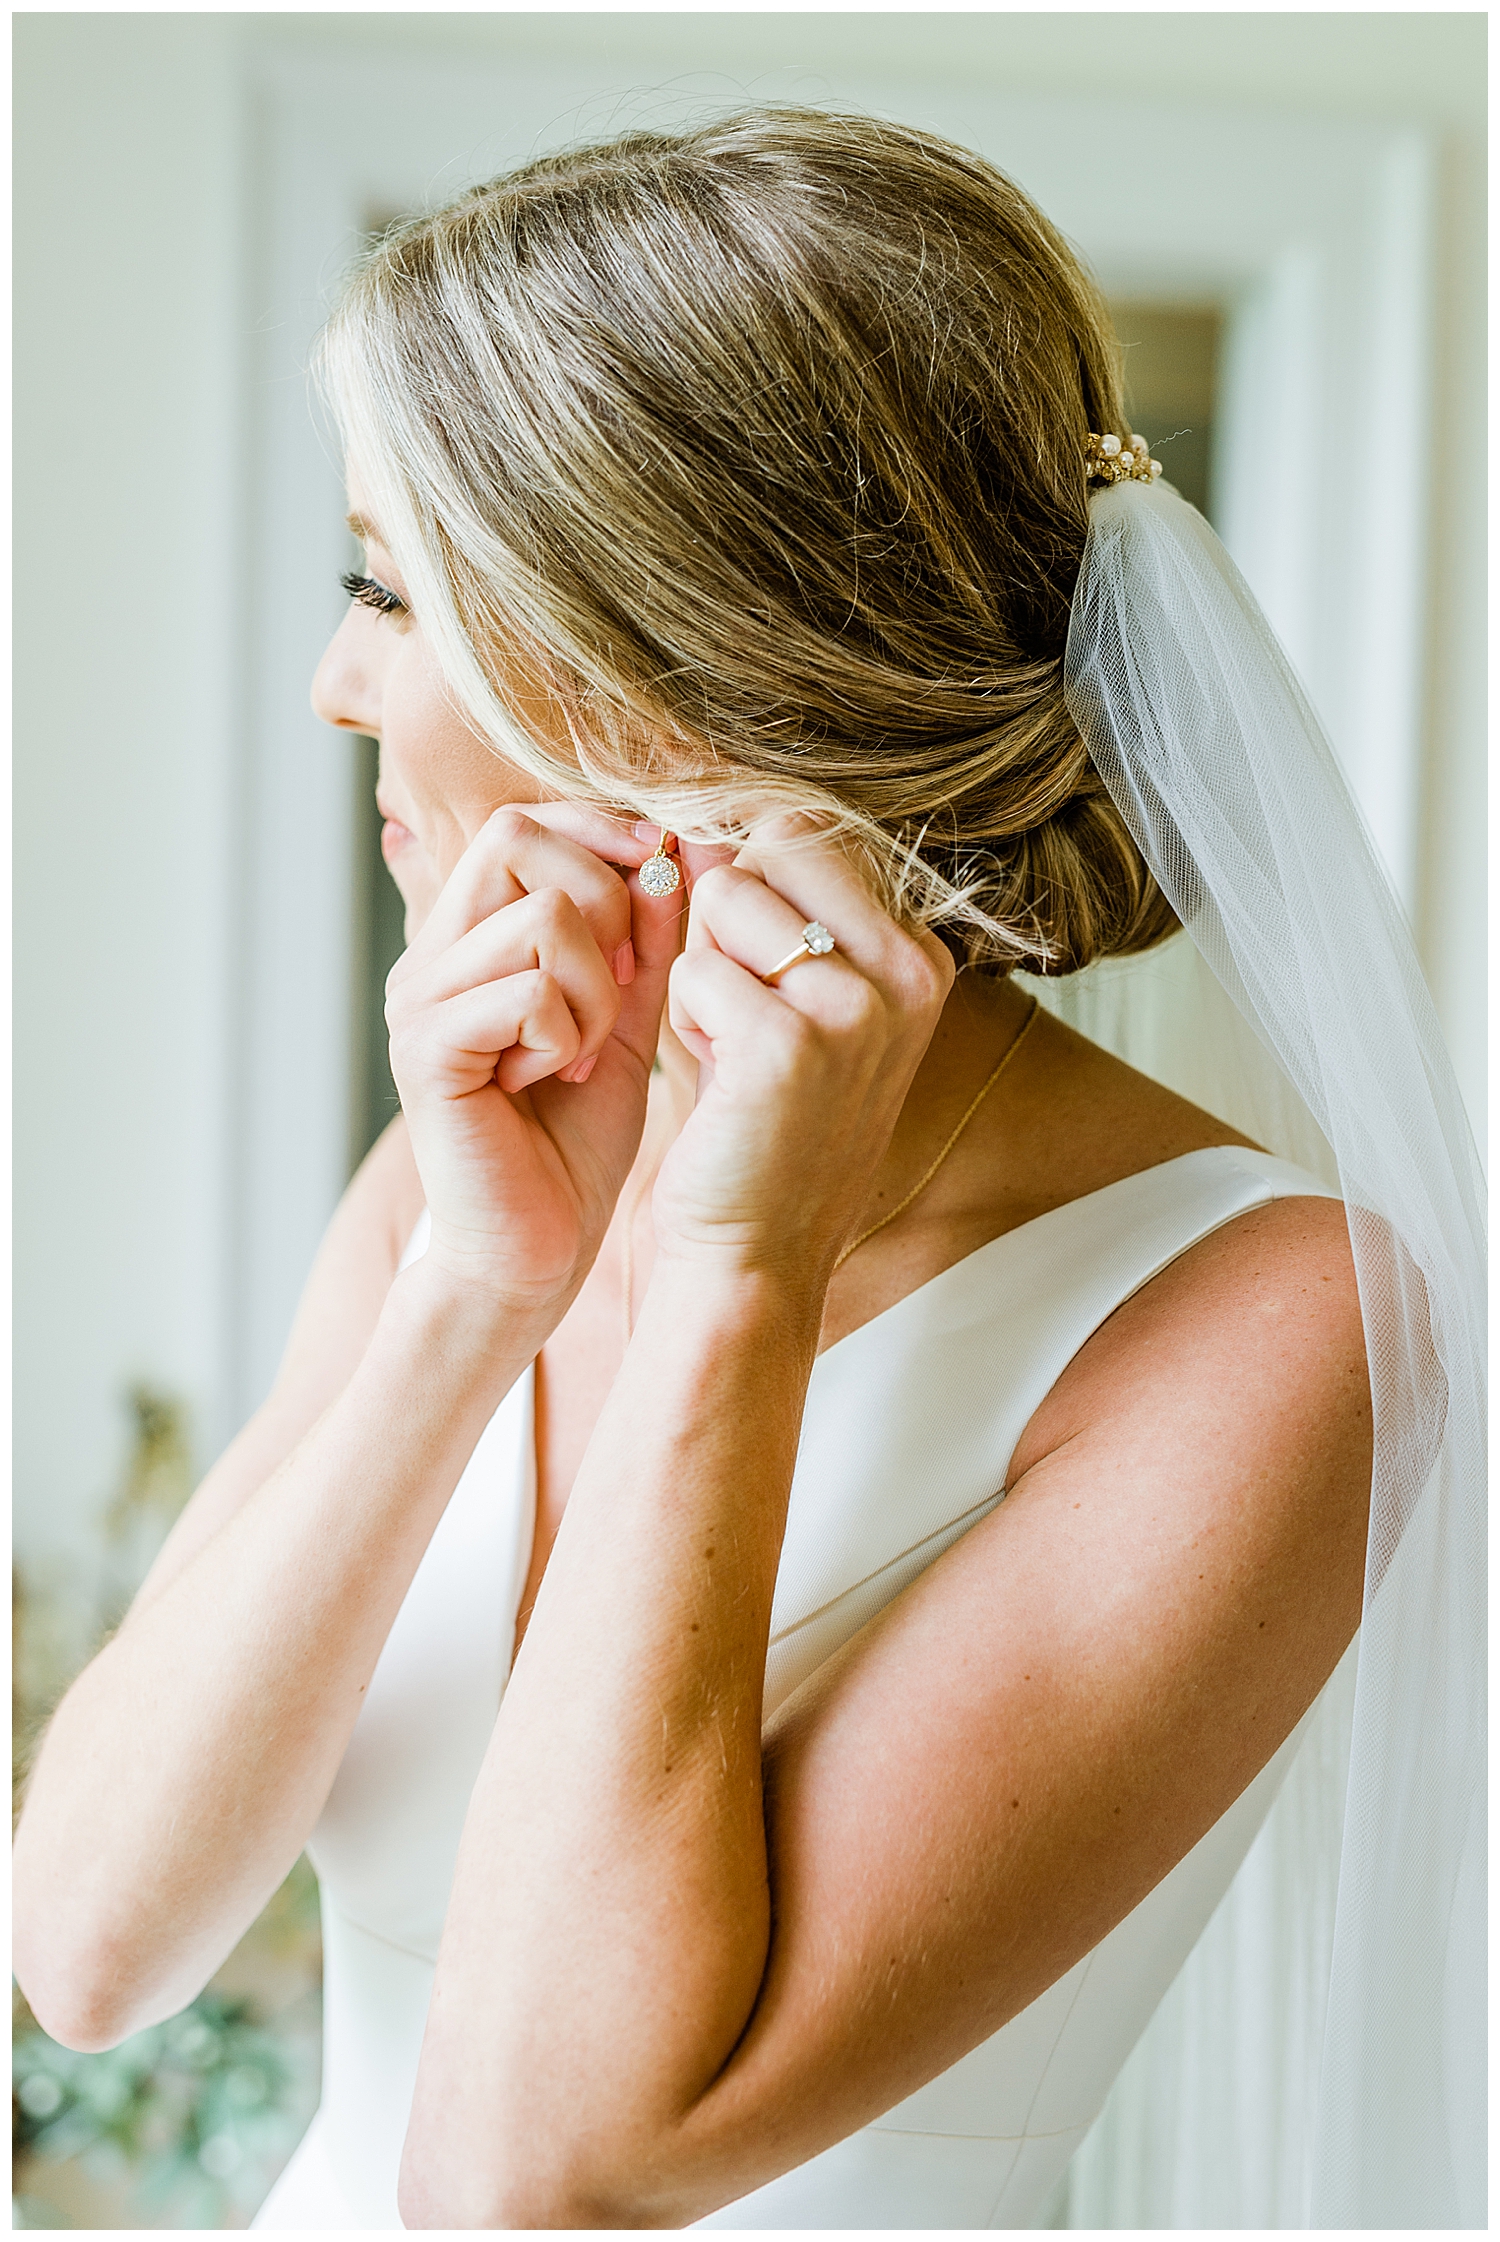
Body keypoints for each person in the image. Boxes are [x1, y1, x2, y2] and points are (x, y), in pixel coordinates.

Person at [12, 109, 1481, 2231]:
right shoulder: (462, 1178)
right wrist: (468, 1297)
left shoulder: (1277, 1326)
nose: (340, 686)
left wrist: (737, 1275)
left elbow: (538, 2164)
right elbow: (86, 1947)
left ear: (666, 686)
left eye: (383, 587)